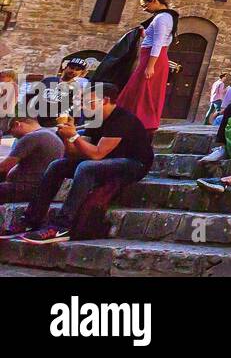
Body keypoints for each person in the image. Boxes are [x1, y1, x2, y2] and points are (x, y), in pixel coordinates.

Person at [1, 84, 154, 244]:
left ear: (105, 100)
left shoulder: (122, 119)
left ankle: (62, 226)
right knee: (57, 166)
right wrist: (68, 137)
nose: (84, 106)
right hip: (106, 161)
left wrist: (74, 136)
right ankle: (31, 220)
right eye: (83, 101)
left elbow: (97, 154)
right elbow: (74, 154)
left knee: (86, 167)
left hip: (134, 164)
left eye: (89, 101)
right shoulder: (96, 120)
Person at [115, 0, 178, 132]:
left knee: (142, 90)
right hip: (152, 57)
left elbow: (159, 42)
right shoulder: (165, 17)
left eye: (146, 5)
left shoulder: (162, 18)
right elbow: (155, 39)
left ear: (155, 1)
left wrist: (151, 66)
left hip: (152, 59)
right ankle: (136, 119)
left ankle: (140, 121)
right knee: (139, 89)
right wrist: (143, 33)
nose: (145, 9)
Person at [0, 116, 64, 203]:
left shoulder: (31, 137)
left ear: (17, 124)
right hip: (43, 188)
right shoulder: (51, 134)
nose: (13, 136)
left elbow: (4, 167)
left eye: (11, 131)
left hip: (27, 188)